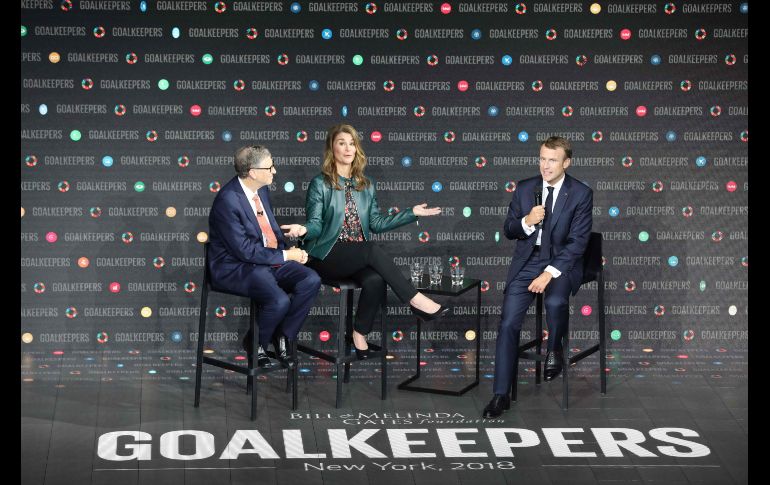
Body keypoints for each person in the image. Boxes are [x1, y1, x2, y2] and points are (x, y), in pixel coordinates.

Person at [281, 123, 448, 360]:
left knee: (376, 279)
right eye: (341, 143)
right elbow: (316, 224)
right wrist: (303, 229)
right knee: (370, 249)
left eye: (352, 143)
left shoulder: (366, 185)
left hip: (356, 255)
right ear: (332, 148)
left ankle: (359, 333)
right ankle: (415, 299)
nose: (348, 148)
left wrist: (412, 213)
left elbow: (377, 224)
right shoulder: (320, 183)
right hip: (325, 254)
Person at [482, 136, 593, 418]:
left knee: (555, 302)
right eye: (542, 158)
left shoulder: (580, 193)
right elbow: (509, 229)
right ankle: (500, 394)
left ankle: (554, 349)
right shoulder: (525, 188)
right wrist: (527, 222)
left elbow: (578, 243)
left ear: (566, 162)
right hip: (528, 261)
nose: (545, 165)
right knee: (508, 322)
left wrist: (549, 273)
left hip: (561, 263)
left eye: (552, 160)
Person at [208, 145, 321, 368]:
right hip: (235, 267)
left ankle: (283, 337)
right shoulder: (227, 201)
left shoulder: (261, 189)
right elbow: (244, 250)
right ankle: (255, 342)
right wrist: (287, 254)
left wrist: (288, 248)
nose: (274, 171)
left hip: (264, 261)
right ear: (252, 172)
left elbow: (263, 230)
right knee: (278, 301)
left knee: (310, 279)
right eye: (269, 167)